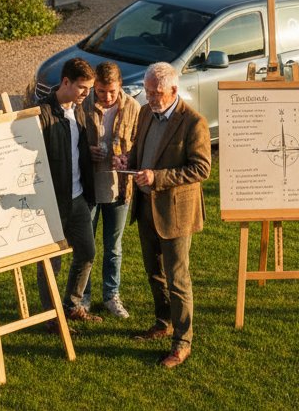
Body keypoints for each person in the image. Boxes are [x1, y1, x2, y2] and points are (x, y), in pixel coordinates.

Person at [122, 61, 211, 368]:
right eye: (147, 90)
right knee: (153, 272)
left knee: (177, 279)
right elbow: (142, 148)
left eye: (156, 92)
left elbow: (201, 168)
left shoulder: (193, 123)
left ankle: (182, 342)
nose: (150, 97)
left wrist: (157, 177)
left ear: (174, 90)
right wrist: (129, 160)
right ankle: (163, 322)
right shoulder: (146, 112)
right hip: (145, 207)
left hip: (175, 213)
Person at [36, 57, 98, 326]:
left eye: (89, 88)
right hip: (53, 202)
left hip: (78, 197)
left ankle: (72, 304)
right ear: (65, 82)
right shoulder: (42, 114)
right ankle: (51, 317)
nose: (87, 93)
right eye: (82, 87)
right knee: (52, 262)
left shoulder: (79, 108)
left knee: (87, 253)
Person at [83, 61, 140, 318]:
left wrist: (128, 158)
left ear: (120, 87)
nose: (106, 97)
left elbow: (140, 145)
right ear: (95, 86)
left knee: (113, 247)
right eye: (101, 91)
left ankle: (111, 296)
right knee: (86, 246)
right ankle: (82, 297)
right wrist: (87, 152)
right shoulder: (82, 106)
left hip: (119, 188)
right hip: (89, 187)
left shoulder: (134, 109)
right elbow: (71, 142)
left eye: (111, 92)